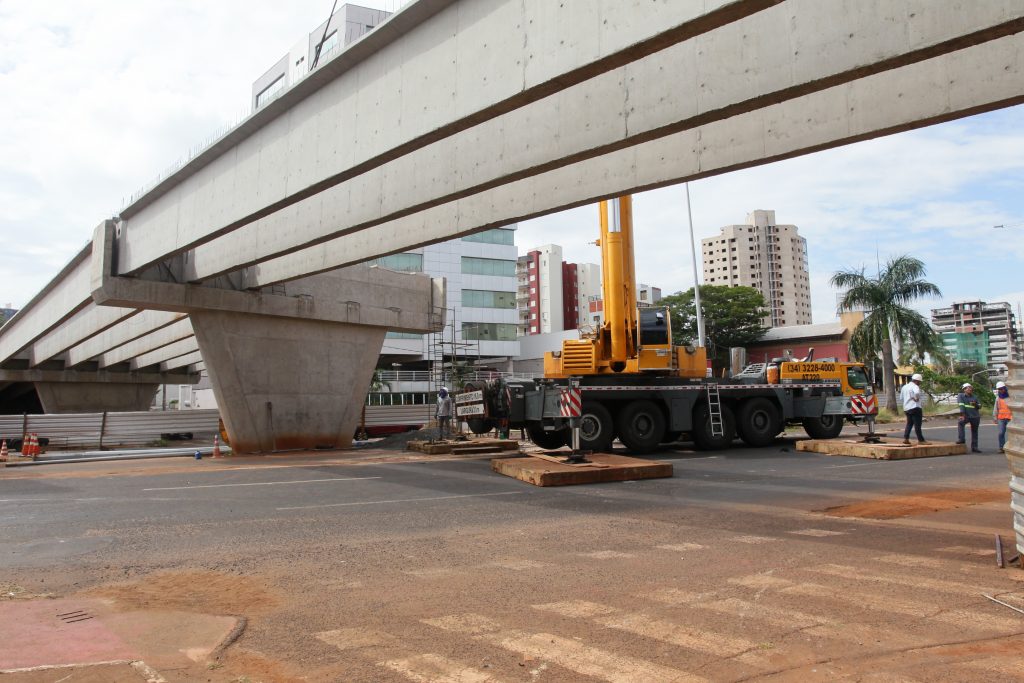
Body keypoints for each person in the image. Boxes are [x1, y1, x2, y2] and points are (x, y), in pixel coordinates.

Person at [901, 373, 927, 445]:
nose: (920, 383)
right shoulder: (915, 386)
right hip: (915, 407)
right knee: (917, 424)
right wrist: (916, 398)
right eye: (920, 382)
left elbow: (901, 398)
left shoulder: (904, 387)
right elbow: (917, 393)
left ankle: (906, 438)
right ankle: (921, 440)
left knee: (909, 423)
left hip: (907, 408)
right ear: (917, 381)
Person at [957, 382, 982, 453]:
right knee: (961, 423)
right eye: (968, 388)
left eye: (971, 388)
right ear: (964, 389)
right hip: (966, 415)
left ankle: (974, 447)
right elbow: (961, 405)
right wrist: (962, 415)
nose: (970, 389)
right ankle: (961, 439)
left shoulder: (975, 397)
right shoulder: (961, 396)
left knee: (974, 432)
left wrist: (976, 404)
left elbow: (980, 406)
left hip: (975, 416)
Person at [993, 380, 1012, 454]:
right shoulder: (998, 397)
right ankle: (1001, 447)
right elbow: (996, 408)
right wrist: (995, 417)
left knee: (1011, 434)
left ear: (1005, 388)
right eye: (999, 389)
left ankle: (1011, 448)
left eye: (1001, 388)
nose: (1001, 390)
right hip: (1001, 418)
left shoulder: (1010, 396)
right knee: (1001, 433)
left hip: (1010, 418)